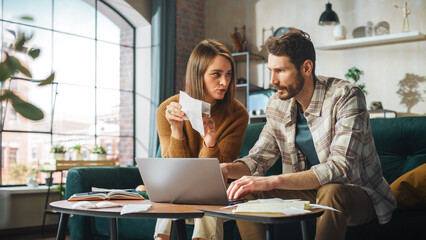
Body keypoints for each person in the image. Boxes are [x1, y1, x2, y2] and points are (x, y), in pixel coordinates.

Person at [221, 29, 397, 240]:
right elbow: (258, 158)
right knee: (243, 191)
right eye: (271, 70)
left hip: (357, 193)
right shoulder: (277, 104)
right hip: (309, 191)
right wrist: (226, 169)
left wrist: (271, 181)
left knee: (331, 192)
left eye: (280, 71)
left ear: (306, 67)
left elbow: (341, 168)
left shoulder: (346, 96)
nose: (272, 81)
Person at [154, 39, 249, 240]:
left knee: (208, 194)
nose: (225, 82)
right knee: (170, 193)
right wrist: (177, 131)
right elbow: (173, 172)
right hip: (178, 190)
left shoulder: (237, 114)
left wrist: (210, 141)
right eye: (216, 74)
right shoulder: (167, 109)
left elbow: (214, 174)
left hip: (216, 191)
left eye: (229, 74)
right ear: (198, 75)